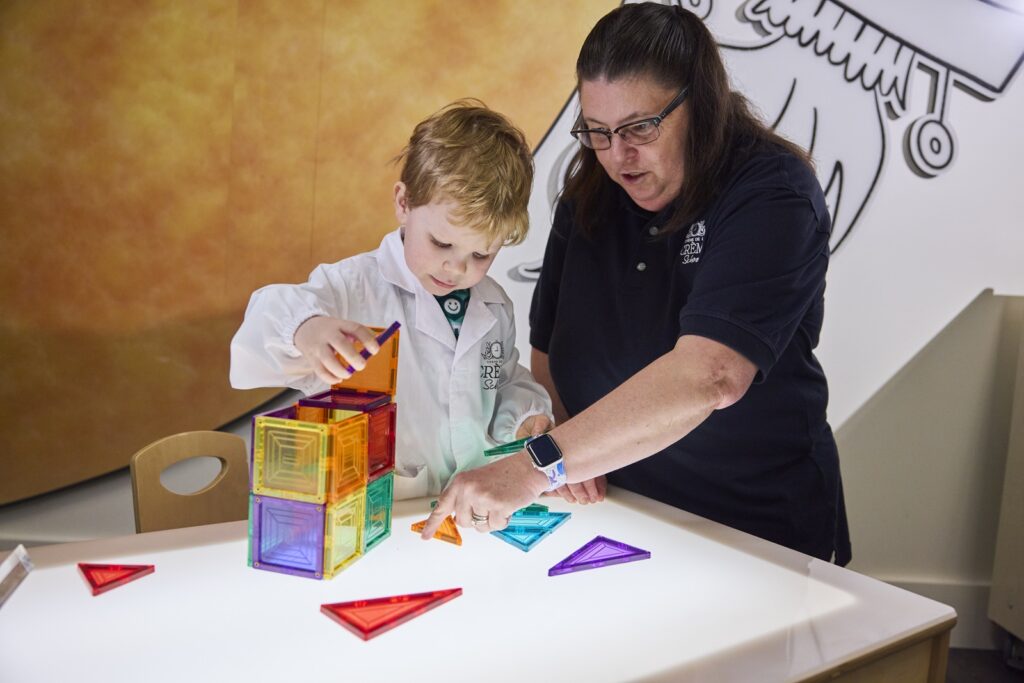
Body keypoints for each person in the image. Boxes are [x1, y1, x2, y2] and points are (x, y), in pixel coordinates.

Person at [422, 3, 851, 565]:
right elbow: (550, 354)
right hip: (622, 518)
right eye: (597, 132)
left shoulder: (773, 193)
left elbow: (711, 376)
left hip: (756, 533)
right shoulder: (588, 197)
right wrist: (560, 444)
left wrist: (538, 464)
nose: (618, 156)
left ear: (700, 103)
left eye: (639, 128)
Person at [230, 100, 554, 499]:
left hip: (464, 505)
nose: (456, 268)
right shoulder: (352, 287)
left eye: (480, 255)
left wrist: (522, 416)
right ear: (404, 203)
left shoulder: (494, 306)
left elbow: (500, 379)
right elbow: (267, 317)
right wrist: (306, 329)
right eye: (441, 243)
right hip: (374, 507)